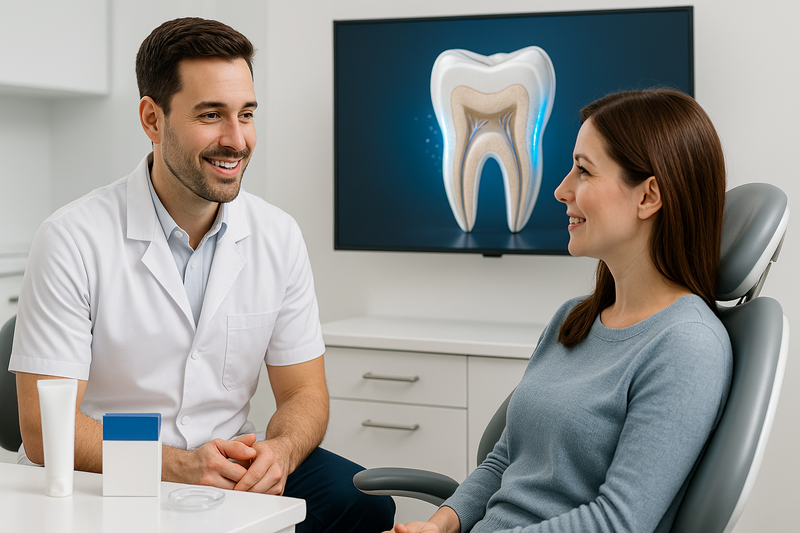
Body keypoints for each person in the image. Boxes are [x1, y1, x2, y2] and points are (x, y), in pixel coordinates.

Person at [9, 17, 394, 532]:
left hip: (228, 469)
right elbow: (42, 431)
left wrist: (279, 451)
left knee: (366, 505)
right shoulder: (71, 238)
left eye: (247, 114)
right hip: (104, 475)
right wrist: (178, 465)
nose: (236, 140)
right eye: (211, 115)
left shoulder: (277, 235)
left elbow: (305, 394)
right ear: (152, 119)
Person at [386, 89, 733, 533]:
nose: (560, 189)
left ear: (649, 197)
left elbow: (618, 523)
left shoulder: (686, 345)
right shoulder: (573, 320)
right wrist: (441, 525)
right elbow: (506, 461)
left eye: (583, 171)